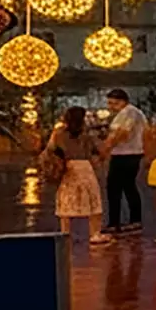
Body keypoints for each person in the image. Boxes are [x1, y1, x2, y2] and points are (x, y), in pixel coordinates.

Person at [92, 88, 147, 244]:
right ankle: (128, 220)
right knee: (125, 186)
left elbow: (122, 134)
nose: (110, 106)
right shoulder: (127, 113)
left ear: (122, 101)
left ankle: (120, 222)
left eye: (113, 103)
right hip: (125, 153)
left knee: (117, 187)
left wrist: (105, 149)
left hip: (127, 154)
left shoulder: (130, 113)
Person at [47, 106, 102, 247]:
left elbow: (50, 150)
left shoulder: (59, 134)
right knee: (92, 200)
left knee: (67, 200)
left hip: (68, 167)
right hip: (84, 167)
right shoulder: (86, 135)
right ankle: (94, 234)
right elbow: (96, 152)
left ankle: (66, 233)